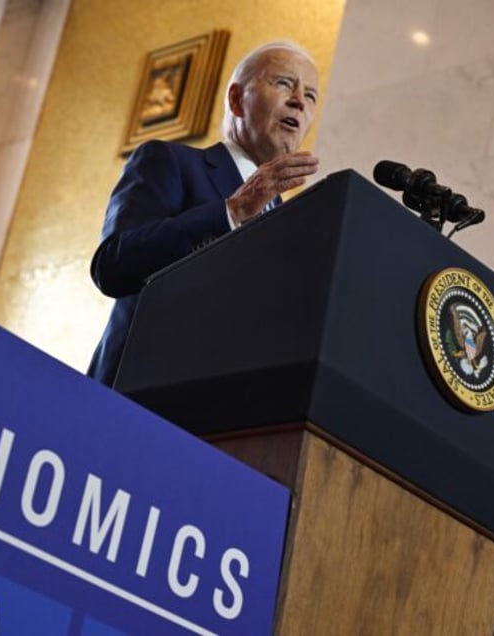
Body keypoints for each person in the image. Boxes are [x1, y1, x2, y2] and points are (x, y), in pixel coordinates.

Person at [87, 40, 321, 387]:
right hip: (139, 395)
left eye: (311, 95)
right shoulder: (170, 162)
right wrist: (233, 211)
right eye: (284, 83)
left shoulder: (290, 220)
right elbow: (112, 267)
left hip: (233, 418)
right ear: (237, 99)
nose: (299, 101)